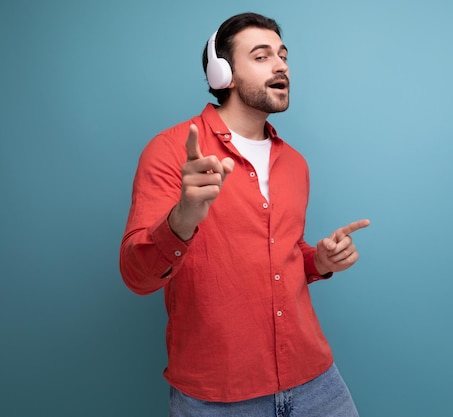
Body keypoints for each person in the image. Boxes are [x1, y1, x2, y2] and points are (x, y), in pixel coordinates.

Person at [119, 12, 369, 417]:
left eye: (283, 55)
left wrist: (318, 261)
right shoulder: (169, 151)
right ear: (224, 74)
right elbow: (136, 276)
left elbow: (280, 254)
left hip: (314, 380)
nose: (281, 65)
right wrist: (183, 218)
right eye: (261, 55)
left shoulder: (296, 164)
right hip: (219, 396)